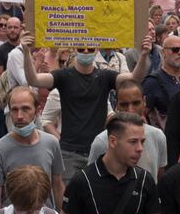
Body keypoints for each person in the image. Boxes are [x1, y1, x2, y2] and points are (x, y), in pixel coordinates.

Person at [22, 28, 153, 177]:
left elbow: (135, 78)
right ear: (74, 49)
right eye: (81, 48)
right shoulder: (64, 76)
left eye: (89, 48)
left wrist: (143, 55)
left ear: (96, 49)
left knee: (98, 198)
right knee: (69, 198)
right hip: (69, 152)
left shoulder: (105, 76)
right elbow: (34, 79)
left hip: (99, 150)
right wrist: (26, 52)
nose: (85, 51)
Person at [0, 86, 65, 213]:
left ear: (37, 110)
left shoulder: (51, 143)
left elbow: (57, 186)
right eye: (14, 110)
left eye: (25, 109)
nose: (19, 116)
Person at [88, 79, 169, 180]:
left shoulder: (158, 137)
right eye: (124, 104)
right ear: (116, 105)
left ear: (144, 102)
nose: (130, 110)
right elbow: (91, 180)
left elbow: (160, 177)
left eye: (135, 103)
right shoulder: (102, 142)